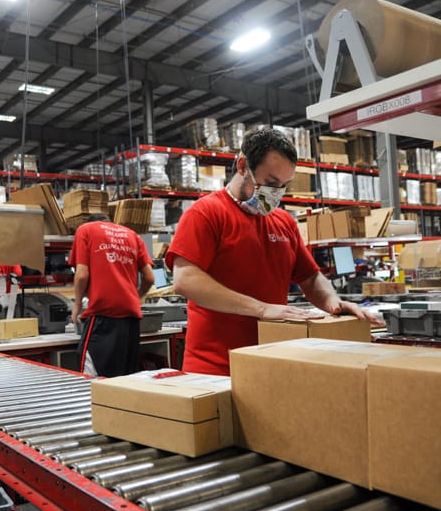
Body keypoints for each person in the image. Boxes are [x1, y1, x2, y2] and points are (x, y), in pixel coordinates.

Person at [165, 128, 382, 376]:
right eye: (270, 183)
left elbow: (309, 276)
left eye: (283, 186)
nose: (275, 193)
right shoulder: (206, 213)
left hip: (272, 362)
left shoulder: (284, 222)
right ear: (243, 165)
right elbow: (186, 280)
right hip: (215, 369)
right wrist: (262, 309)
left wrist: (332, 303)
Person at [69, 213, 155, 377]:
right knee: (123, 381)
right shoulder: (132, 235)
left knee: (89, 380)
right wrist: (136, 297)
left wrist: (78, 304)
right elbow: (149, 277)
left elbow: (81, 275)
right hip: (131, 320)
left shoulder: (85, 230)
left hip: (103, 316)